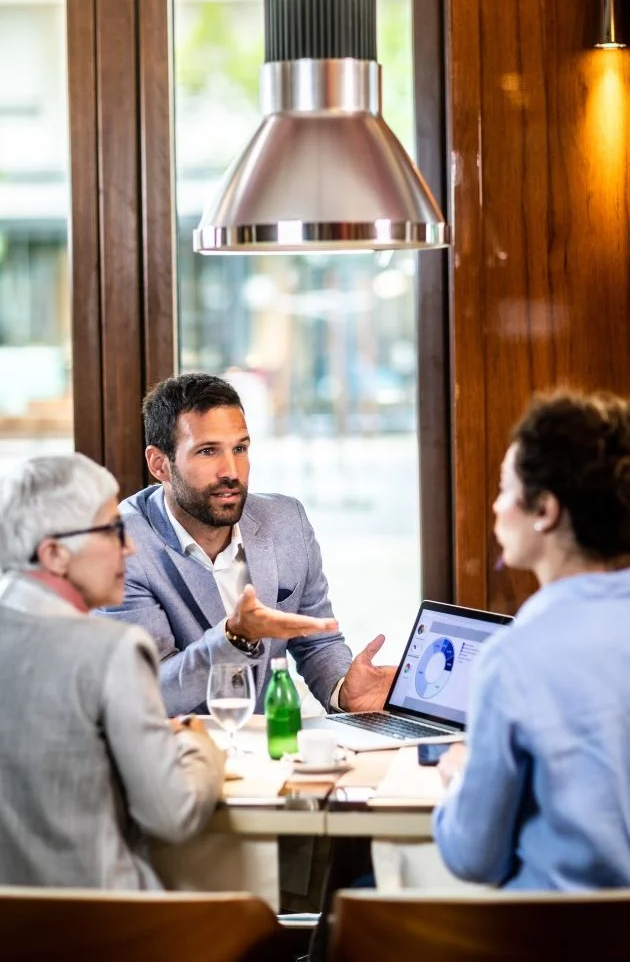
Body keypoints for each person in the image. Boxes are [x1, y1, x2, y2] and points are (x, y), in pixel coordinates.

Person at [101, 373, 395, 717]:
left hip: (267, 750)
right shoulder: (121, 547)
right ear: (159, 465)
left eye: (240, 448)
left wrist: (343, 690)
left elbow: (316, 642)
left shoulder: (287, 521)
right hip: (178, 753)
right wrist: (233, 637)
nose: (232, 471)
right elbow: (150, 692)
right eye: (208, 451)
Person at [434, 390, 630, 890]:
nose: (497, 506)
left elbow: (474, 856)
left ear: (544, 509)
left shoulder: (516, 658)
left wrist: (459, 776)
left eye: (505, 488)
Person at [0, 453, 224, 890]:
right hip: (105, 928)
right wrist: (201, 750)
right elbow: (172, 815)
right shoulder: (113, 650)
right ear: (55, 554)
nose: (130, 546)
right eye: (111, 529)